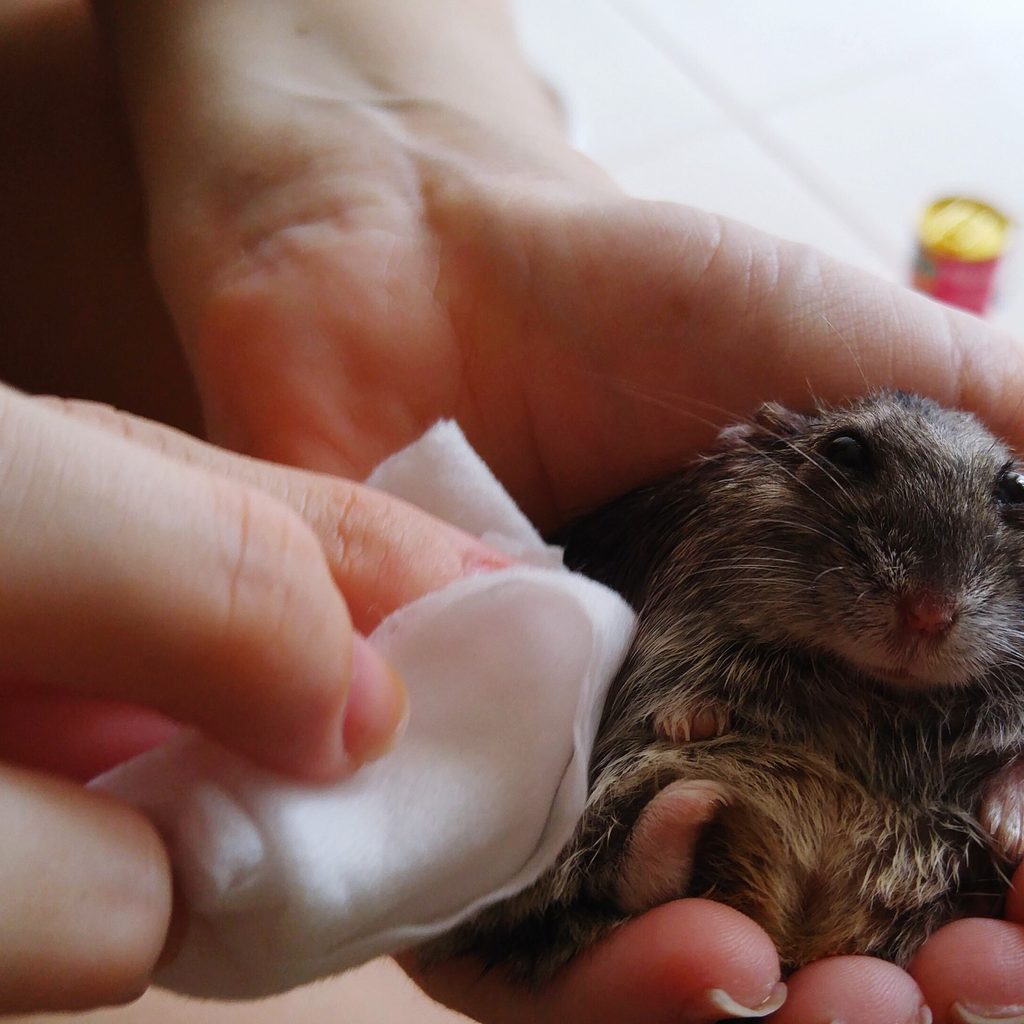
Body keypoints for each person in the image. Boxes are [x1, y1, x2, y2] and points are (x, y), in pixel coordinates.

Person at [3, 1, 1024, 1021]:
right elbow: (642, 667)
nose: (926, 605)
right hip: (714, 788)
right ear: (767, 454)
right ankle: (651, 851)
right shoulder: (712, 536)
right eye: (848, 461)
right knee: (618, 785)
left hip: (894, 859)